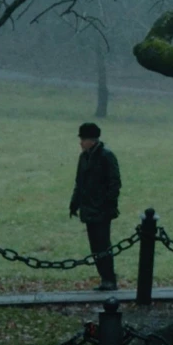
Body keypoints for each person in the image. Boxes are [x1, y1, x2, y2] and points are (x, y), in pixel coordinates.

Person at [70, 121, 122, 289]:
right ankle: (104, 278)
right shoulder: (84, 157)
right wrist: (74, 203)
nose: (80, 142)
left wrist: (106, 204)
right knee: (95, 246)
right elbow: (80, 183)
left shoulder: (106, 156)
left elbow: (115, 183)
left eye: (83, 139)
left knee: (103, 245)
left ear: (91, 140)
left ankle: (109, 279)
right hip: (89, 209)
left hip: (101, 210)